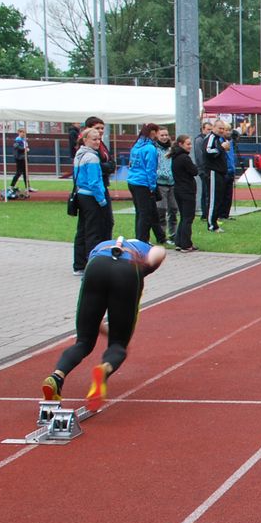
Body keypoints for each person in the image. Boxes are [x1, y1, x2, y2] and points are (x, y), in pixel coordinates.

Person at [42, 236, 168, 411]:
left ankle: (57, 377)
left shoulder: (101, 246)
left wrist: (104, 330)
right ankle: (104, 370)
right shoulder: (142, 246)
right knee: (118, 345)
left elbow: (96, 319)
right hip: (128, 270)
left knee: (84, 342)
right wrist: (147, 264)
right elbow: (160, 251)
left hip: (96, 267)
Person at [71, 125, 113, 274]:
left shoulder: (79, 154)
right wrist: (102, 200)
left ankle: (79, 264)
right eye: (94, 139)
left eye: (99, 139)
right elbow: (94, 182)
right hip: (91, 196)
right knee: (93, 231)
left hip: (81, 195)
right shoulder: (92, 157)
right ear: (85, 139)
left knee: (82, 230)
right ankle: (93, 264)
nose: (97, 142)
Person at [126, 123, 165, 245]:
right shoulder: (150, 148)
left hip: (132, 181)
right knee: (145, 214)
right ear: (153, 133)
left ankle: (160, 236)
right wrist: (152, 186)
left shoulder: (136, 146)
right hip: (143, 183)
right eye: (158, 132)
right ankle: (141, 240)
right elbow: (150, 169)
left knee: (144, 211)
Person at [169, 134, 199, 251]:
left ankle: (179, 241)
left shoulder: (175, 157)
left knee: (183, 217)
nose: (190, 146)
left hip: (178, 189)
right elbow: (194, 171)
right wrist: (195, 167)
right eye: (188, 144)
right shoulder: (184, 158)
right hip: (187, 190)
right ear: (181, 144)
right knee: (188, 218)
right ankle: (186, 244)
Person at [153, 125, 175, 237]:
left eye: (166, 135)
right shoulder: (154, 150)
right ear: (157, 136)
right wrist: (161, 174)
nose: (164, 137)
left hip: (172, 183)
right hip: (160, 183)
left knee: (174, 209)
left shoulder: (171, 149)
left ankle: (173, 233)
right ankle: (162, 235)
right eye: (162, 135)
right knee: (161, 210)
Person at [10, 129, 31, 193]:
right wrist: (25, 149)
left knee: (25, 173)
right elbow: (17, 148)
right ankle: (12, 186)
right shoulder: (17, 140)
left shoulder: (24, 140)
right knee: (18, 173)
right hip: (20, 159)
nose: (24, 134)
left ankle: (27, 187)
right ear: (19, 133)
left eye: (24, 132)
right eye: (22, 132)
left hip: (24, 158)